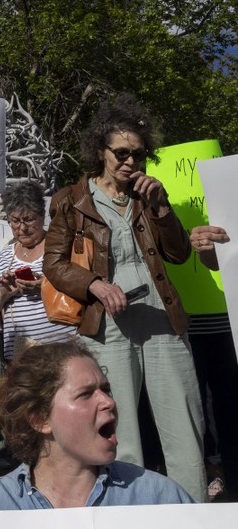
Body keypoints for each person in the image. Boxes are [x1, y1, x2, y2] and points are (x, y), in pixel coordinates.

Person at [43, 93, 206, 502]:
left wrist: (163, 208)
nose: (131, 161)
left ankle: (194, 514)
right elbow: (54, 263)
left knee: (184, 428)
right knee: (118, 431)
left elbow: (180, 254)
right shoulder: (71, 199)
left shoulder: (149, 195)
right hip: (107, 326)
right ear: (100, 151)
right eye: (122, 152)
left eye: (138, 153)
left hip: (161, 321)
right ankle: (127, 516)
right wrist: (95, 285)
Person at [0, 341, 195, 510]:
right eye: (85, 394)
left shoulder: (158, 497)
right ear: (39, 419)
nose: (109, 401)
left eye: (105, 390)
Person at [0, 181, 76, 360]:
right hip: (21, 353)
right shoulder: (5, 255)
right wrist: (4, 293)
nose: (22, 228)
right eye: (15, 221)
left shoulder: (61, 246)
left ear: (42, 215)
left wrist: (44, 287)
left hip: (62, 348)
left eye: (28, 219)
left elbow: (80, 287)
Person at [188, 225, 238, 502]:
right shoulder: (146, 182)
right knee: (193, 411)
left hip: (228, 317)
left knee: (230, 408)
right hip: (181, 321)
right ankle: (208, 475)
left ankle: (230, 481)